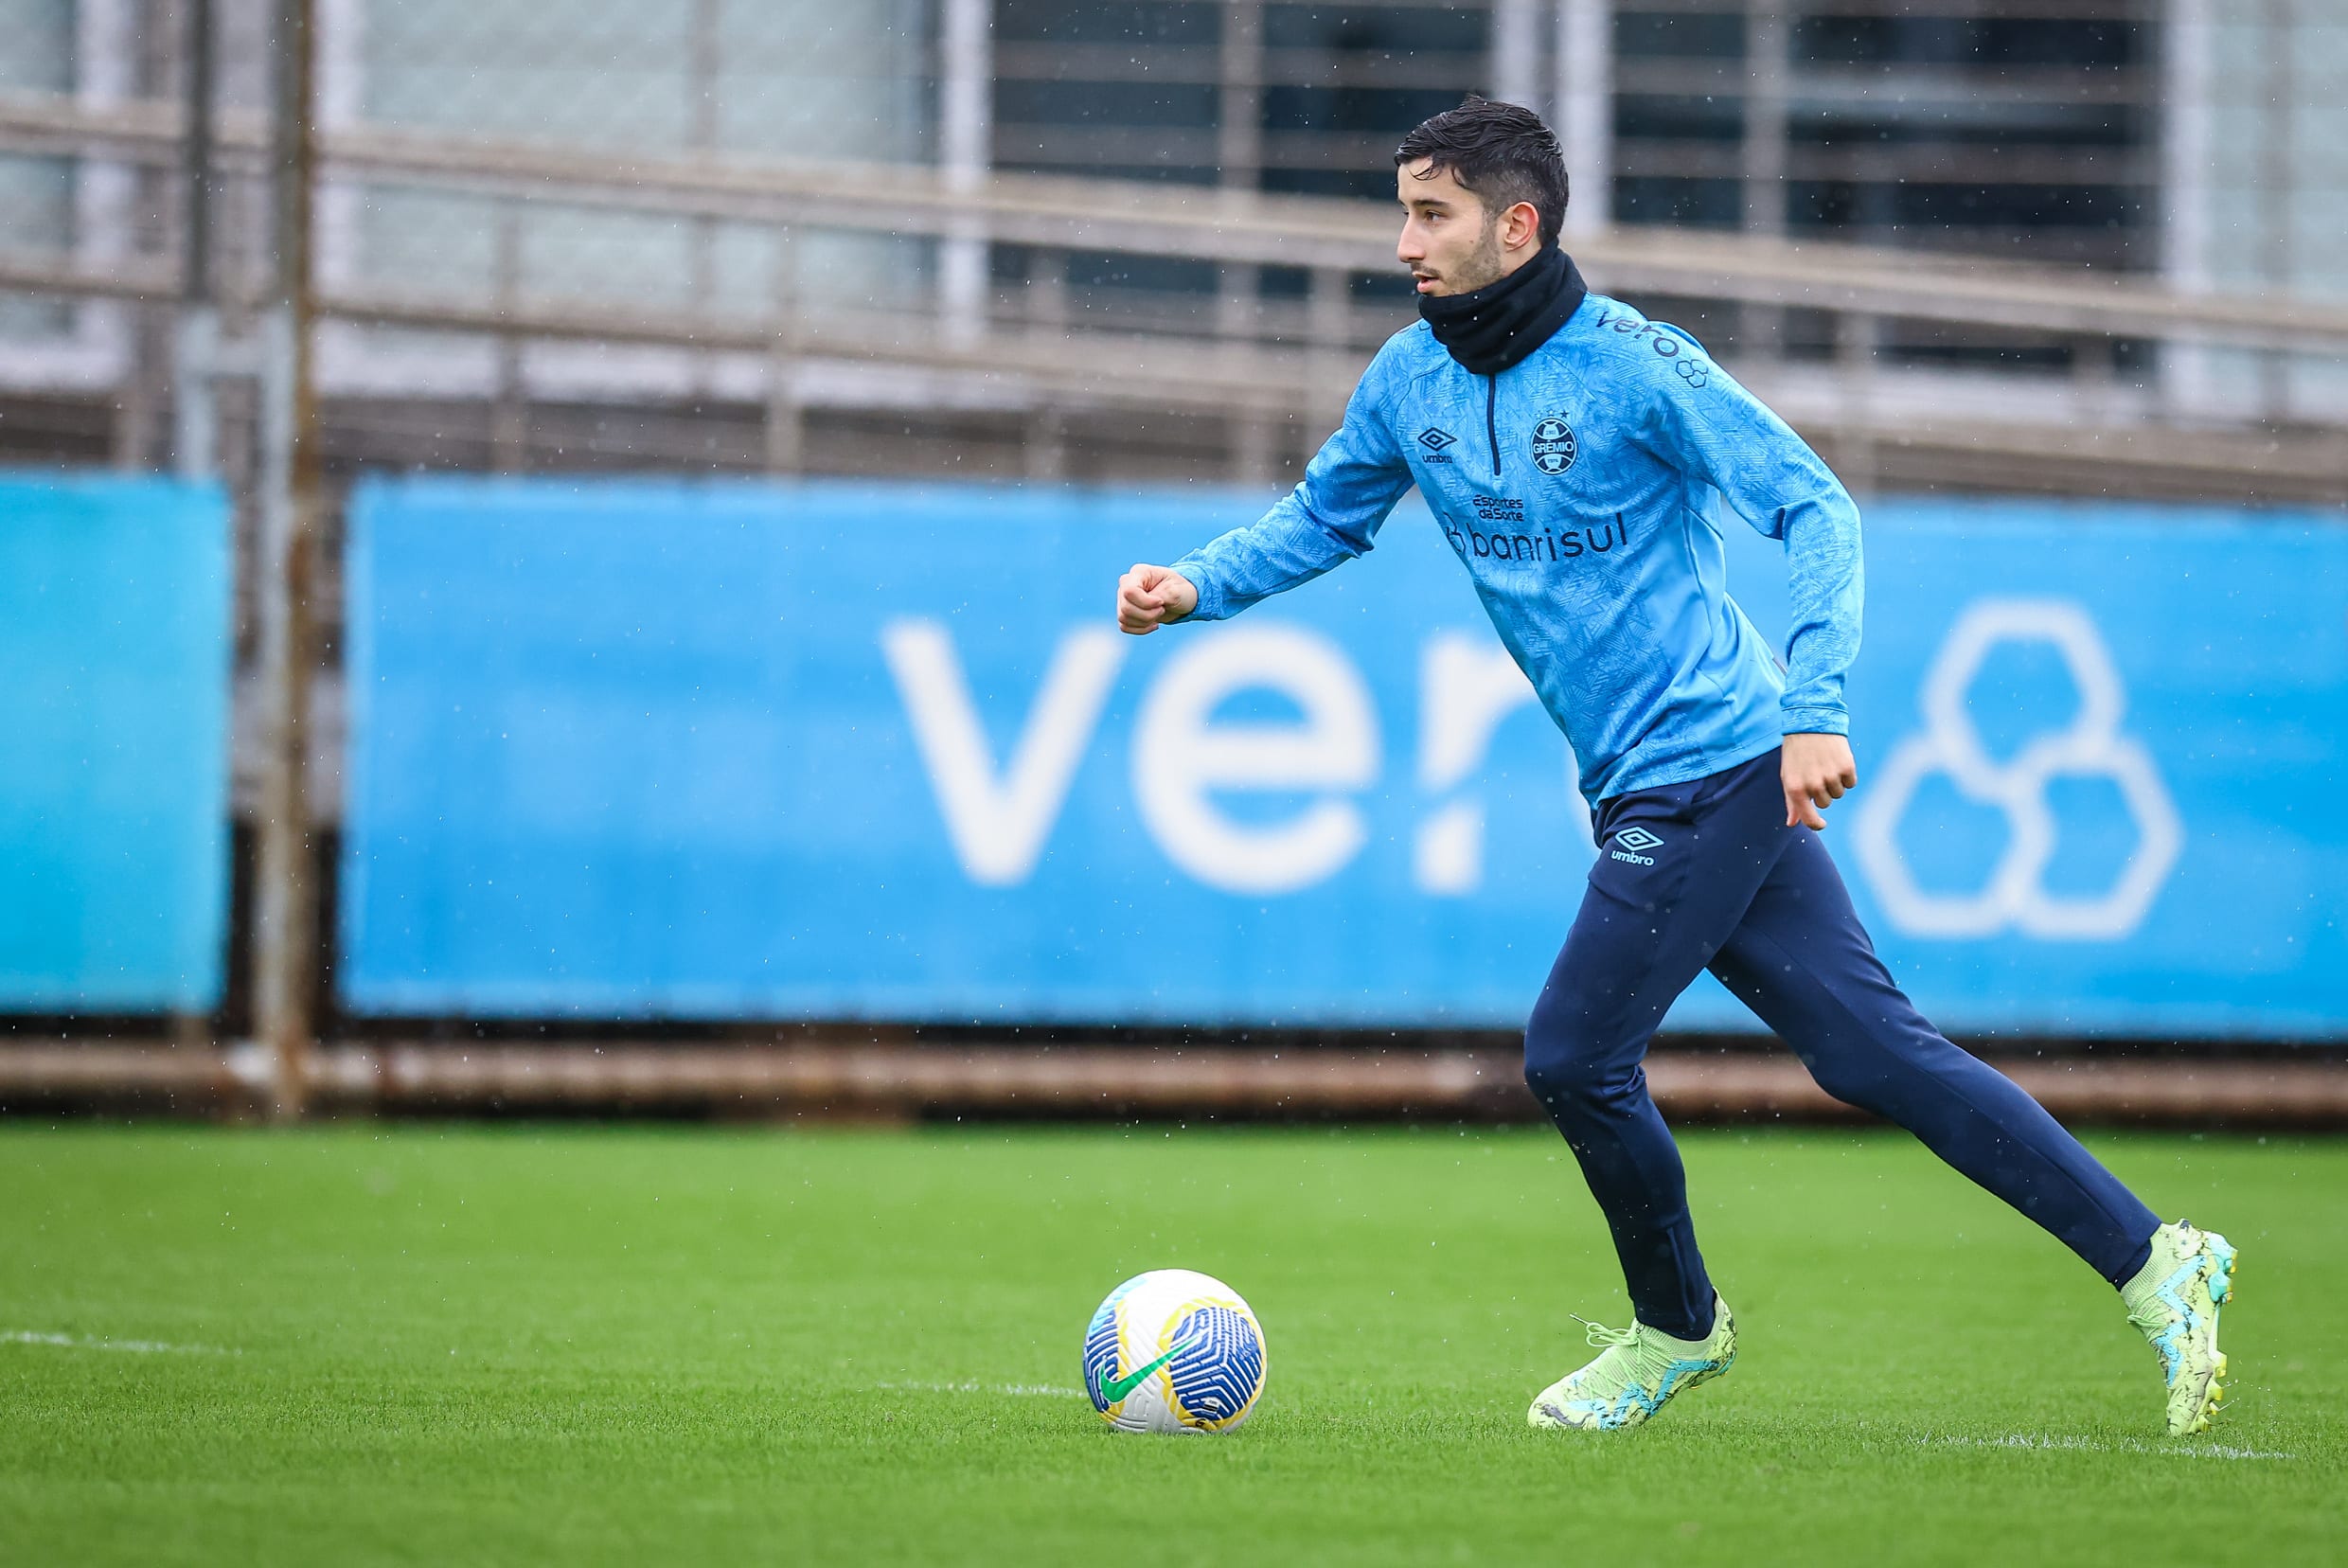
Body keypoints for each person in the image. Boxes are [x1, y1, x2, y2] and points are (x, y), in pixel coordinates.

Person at [1112, 97, 2233, 1436]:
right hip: (1648, 784)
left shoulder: (1636, 366)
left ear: (1515, 226)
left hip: (1718, 763)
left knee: (1575, 1053)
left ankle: (1676, 1331)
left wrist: (1816, 706)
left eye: (1432, 213)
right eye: (1403, 209)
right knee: (1876, 1053)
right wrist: (1196, 586)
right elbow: (1324, 517)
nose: (1402, 239)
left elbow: (1815, 503)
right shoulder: (1407, 380)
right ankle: (2155, 1253)